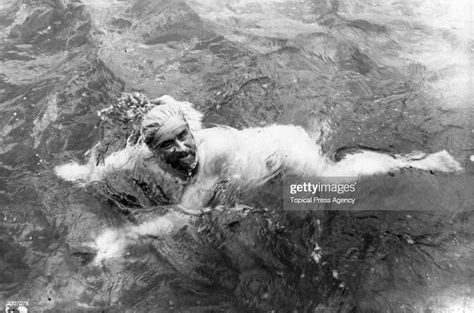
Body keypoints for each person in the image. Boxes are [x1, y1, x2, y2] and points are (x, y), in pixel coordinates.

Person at [55, 94, 462, 237]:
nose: (182, 148)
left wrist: (123, 238)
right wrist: (91, 174)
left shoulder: (207, 157)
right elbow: (128, 154)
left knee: (334, 191)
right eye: (170, 145)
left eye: (184, 137)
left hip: (283, 156)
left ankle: (420, 161)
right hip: (263, 154)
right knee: (287, 204)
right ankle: (318, 136)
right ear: (154, 150)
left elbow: (183, 217)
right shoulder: (149, 148)